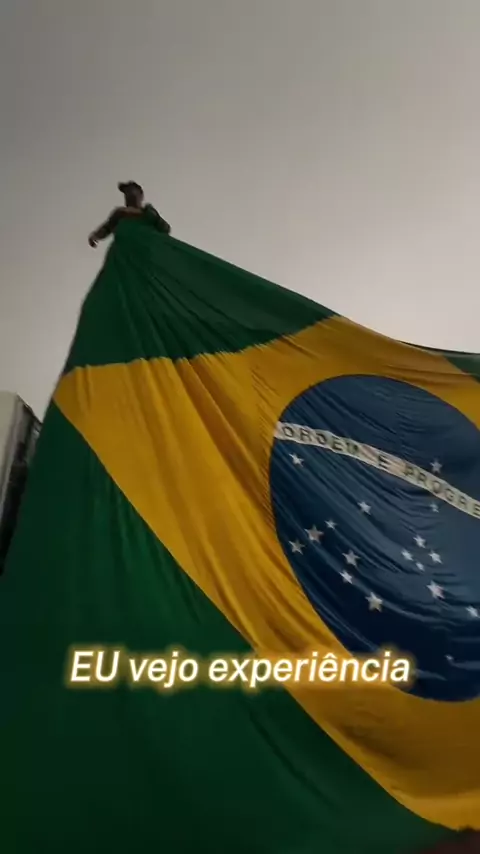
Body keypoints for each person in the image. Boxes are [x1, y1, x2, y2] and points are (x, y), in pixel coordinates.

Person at [88, 181, 171, 247]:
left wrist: (154, 217)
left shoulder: (149, 212)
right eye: (126, 192)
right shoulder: (120, 212)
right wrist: (95, 236)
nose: (128, 194)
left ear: (141, 195)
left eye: (131, 190)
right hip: (125, 250)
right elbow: (107, 228)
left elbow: (166, 229)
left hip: (146, 249)